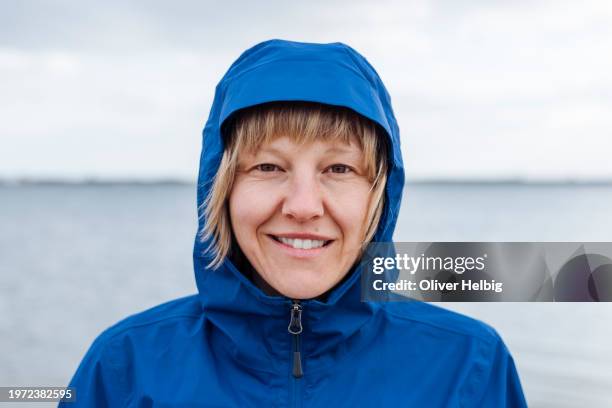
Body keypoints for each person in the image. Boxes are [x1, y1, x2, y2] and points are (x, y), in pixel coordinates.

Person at [61, 39, 528, 407]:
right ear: (220, 190)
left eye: (339, 169)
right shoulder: (125, 367)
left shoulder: (469, 363)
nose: (304, 206)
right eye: (268, 167)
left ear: (379, 199)